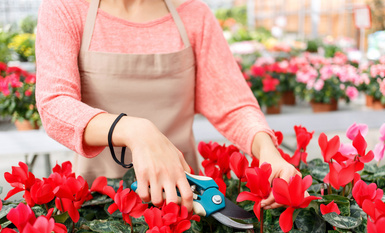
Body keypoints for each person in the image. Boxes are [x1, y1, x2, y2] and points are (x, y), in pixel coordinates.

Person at [35, 0, 299, 212]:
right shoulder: (66, 8)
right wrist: (135, 131)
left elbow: (233, 104)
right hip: (97, 202)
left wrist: (268, 152)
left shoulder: (193, 14)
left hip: (186, 200)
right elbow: (54, 103)